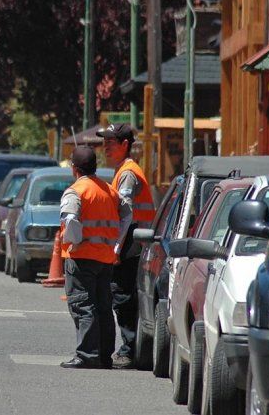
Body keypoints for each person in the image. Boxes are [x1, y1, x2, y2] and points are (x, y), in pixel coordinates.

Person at [60, 146, 132, 369]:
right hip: (105, 258)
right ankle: (103, 355)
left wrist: (75, 241)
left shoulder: (76, 191)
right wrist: (116, 241)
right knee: (103, 306)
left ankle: (87, 355)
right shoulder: (108, 190)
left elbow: (71, 220)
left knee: (83, 305)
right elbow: (127, 213)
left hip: (81, 257)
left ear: (74, 168)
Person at [97, 123, 157, 369]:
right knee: (124, 295)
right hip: (133, 239)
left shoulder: (128, 173)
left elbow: (126, 214)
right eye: (104, 143)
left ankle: (130, 350)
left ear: (125, 145)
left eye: (110, 143)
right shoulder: (123, 170)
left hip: (131, 241)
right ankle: (131, 348)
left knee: (123, 297)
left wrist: (115, 248)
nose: (105, 147)